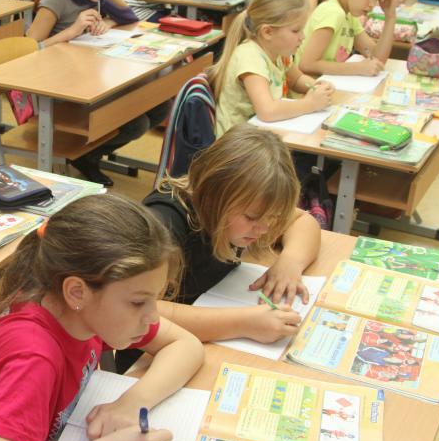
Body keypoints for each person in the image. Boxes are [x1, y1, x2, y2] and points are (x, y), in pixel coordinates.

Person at [0, 194, 204, 441]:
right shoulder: (34, 358)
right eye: (139, 302)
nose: (152, 316)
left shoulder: (78, 312)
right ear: (77, 292)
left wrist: (130, 404)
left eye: (155, 298)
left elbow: (186, 345)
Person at [115, 125, 320, 373]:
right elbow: (142, 309)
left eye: (273, 217)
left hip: (204, 341)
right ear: (216, 195)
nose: (265, 228)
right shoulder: (164, 224)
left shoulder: (241, 210)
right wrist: (245, 322)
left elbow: (303, 221)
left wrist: (290, 262)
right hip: (147, 360)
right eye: (253, 217)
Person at [27, 0, 168, 186]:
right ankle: (86, 156)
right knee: (137, 123)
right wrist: (72, 31)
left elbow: (128, 17)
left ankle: (89, 155)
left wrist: (106, 21)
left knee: (160, 107)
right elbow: (28, 50)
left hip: (88, 79)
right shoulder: (57, 0)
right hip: (59, 89)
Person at [209, 0, 335, 136]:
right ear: (267, 32)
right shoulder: (250, 56)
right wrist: (310, 104)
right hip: (239, 144)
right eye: (296, 31)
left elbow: (296, 80)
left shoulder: (279, 52)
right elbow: (267, 111)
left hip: (261, 136)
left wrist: (316, 87)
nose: (303, 37)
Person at [296, 0, 398, 78]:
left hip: (326, 85)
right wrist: (358, 68)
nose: (372, 4)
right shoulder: (332, 12)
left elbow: (377, 59)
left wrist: (390, 16)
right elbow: (307, 64)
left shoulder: (349, 16)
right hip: (307, 87)